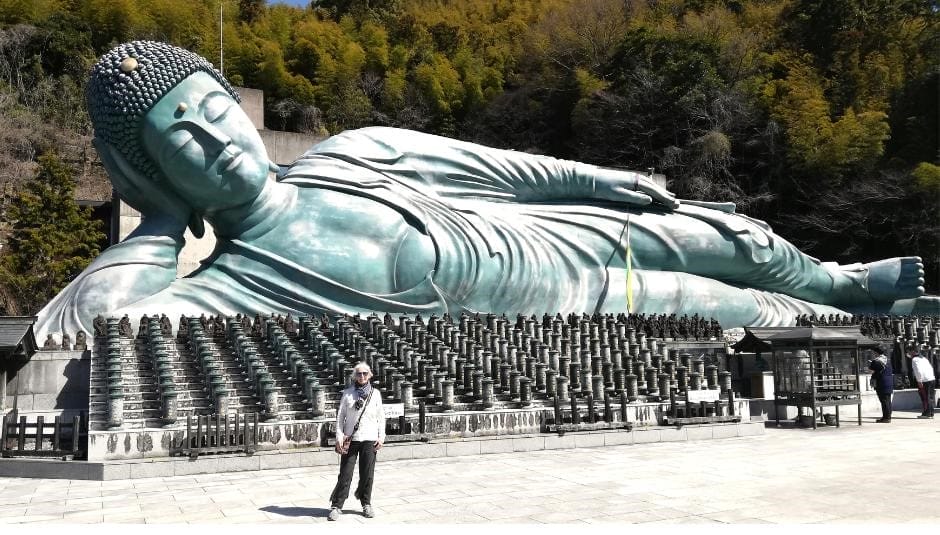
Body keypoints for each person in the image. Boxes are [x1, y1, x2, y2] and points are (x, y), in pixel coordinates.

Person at [34, 41, 938, 343]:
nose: (212, 137)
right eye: (177, 142)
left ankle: (840, 277)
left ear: (238, 104)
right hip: (568, 307)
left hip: (548, 231)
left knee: (729, 235)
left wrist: (598, 179)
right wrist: (155, 219)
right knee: (730, 302)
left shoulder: (352, 153)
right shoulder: (230, 284)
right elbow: (95, 325)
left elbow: (497, 167)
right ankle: (842, 313)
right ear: (157, 171)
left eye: (212, 108)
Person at [328, 362, 385, 521]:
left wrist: (381, 437)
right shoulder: (348, 393)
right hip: (351, 439)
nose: (362, 376)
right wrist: (339, 436)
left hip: (370, 438)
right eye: (359, 374)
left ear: (370, 375)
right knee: (345, 473)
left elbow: (381, 417)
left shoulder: (376, 394)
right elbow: (340, 418)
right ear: (355, 376)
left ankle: (366, 503)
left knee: (367, 474)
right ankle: (337, 505)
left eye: (365, 373)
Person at [868, 346, 894, 423]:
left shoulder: (876, 361)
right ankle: (888, 416)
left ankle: (886, 418)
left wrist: (870, 365)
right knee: (888, 400)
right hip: (889, 382)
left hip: (881, 383)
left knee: (884, 400)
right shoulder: (887, 360)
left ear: (876, 352)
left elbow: (871, 371)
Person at [908, 347, 936, 419]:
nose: (908, 354)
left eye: (909, 352)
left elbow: (917, 371)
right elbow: (931, 368)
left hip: (924, 380)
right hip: (931, 378)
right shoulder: (923, 358)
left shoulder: (915, 360)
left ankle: (927, 413)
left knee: (925, 397)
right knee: (931, 397)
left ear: (913, 351)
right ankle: (931, 412)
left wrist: (919, 381)